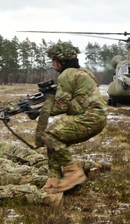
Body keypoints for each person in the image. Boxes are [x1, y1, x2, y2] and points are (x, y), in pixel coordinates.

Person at [41, 41, 107, 195]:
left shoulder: (66, 74)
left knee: (49, 135)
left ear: (61, 61)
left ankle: (73, 173)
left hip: (89, 118)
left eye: (54, 60)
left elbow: (62, 107)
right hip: (98, 118)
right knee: (54, 142)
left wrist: (40, 111)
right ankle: (53, 182)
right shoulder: (83, 72)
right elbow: (75, 104)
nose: (52, 64)